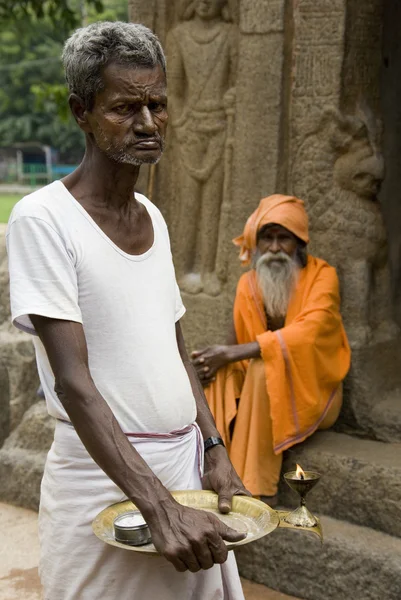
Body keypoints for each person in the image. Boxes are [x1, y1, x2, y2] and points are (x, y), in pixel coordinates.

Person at [6, 22, 248, 600]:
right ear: (80, 111)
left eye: (157, 104)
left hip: (182, 471)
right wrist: (160, 509)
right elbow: (74, 383)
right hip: (103, 482)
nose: (147, 122)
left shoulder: (152, 217)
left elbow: (172, 344)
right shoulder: (44, 220)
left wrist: (213, 448)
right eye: (124, 107)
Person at [192, 195, 351, 506]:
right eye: (267, 238)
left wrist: (234, 353)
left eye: (284, 239)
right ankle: (208, 473)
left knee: (264, 366)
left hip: (316, 395)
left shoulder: (323, 276)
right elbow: (233, 346)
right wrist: (210, 363)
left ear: (299, 244)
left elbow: (309, 332)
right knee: (216, 370)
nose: (275, 248)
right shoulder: (247, 284)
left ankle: (255, 489)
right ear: (256, 243)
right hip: (258, 391)